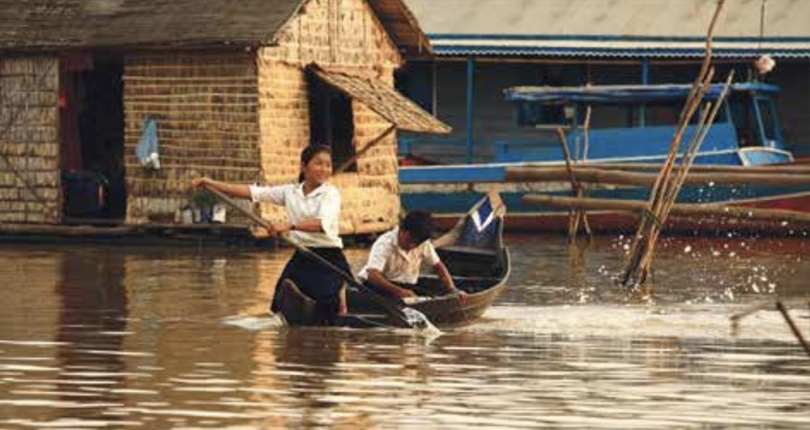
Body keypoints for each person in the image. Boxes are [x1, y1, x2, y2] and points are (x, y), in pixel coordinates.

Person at [191, 145, 350, 324]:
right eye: (318, 164)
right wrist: (211, 184)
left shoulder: (330, 194)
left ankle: (339, 305)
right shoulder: (291, 192)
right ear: (304, 166)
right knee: (280, 298)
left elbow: (321, 224)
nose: (324, 169)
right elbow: (253, 192)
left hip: (329, 257)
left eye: (328, 165)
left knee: (330, 305)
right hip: (303, 254)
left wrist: (289, 225)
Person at [357, 211, 467, 302]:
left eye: (416, 244)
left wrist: (452, 289)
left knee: (434, 295)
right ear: (402, 230)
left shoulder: (424, 244)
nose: (411, 246)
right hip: (377, 286)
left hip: (406, 285)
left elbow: (438, 266)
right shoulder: (384, 244)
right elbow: (373, 276)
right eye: (409, 240)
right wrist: (399, 291)